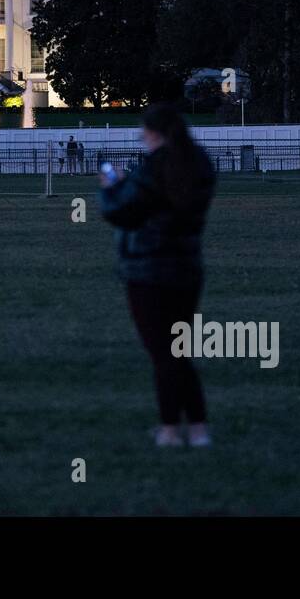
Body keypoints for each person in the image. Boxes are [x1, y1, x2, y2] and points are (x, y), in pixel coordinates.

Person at [99, 104, 216, 449]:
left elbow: (122, 212)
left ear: (154, 133)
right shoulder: (199, 165)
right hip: (187, 268)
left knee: (163, 353)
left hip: (147, 269)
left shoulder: (153, 169)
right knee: (178, 350)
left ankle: (169, 428)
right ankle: (197, 427)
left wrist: (110, 186)